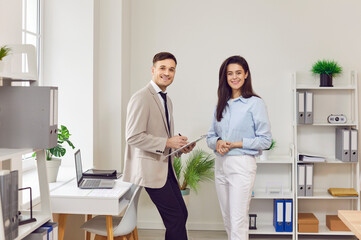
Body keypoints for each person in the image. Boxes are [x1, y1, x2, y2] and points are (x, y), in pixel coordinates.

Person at [123, 52, 195, 240]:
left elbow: (163, 136)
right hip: (150, 169)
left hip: (166, 167)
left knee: (181, 214)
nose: (167, 73)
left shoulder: (167, 100)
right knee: (176, 218)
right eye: (162, 68)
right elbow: (133, 136)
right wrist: (167, 142)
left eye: (171, 69)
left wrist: (178, 146)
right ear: (153, 70)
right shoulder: (141, 97)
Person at [207, 55, 272, 240]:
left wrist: (236, 143)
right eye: (230, 74)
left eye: (238, 73)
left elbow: (265, 140)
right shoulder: (221, 104)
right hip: (220, 165)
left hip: (242, 165)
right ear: (225, 77)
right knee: (227, 220)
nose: (234, 77)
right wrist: (218, 142)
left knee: (238, 221)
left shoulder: (255, 103)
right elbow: (211, 136)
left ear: (246, 75)